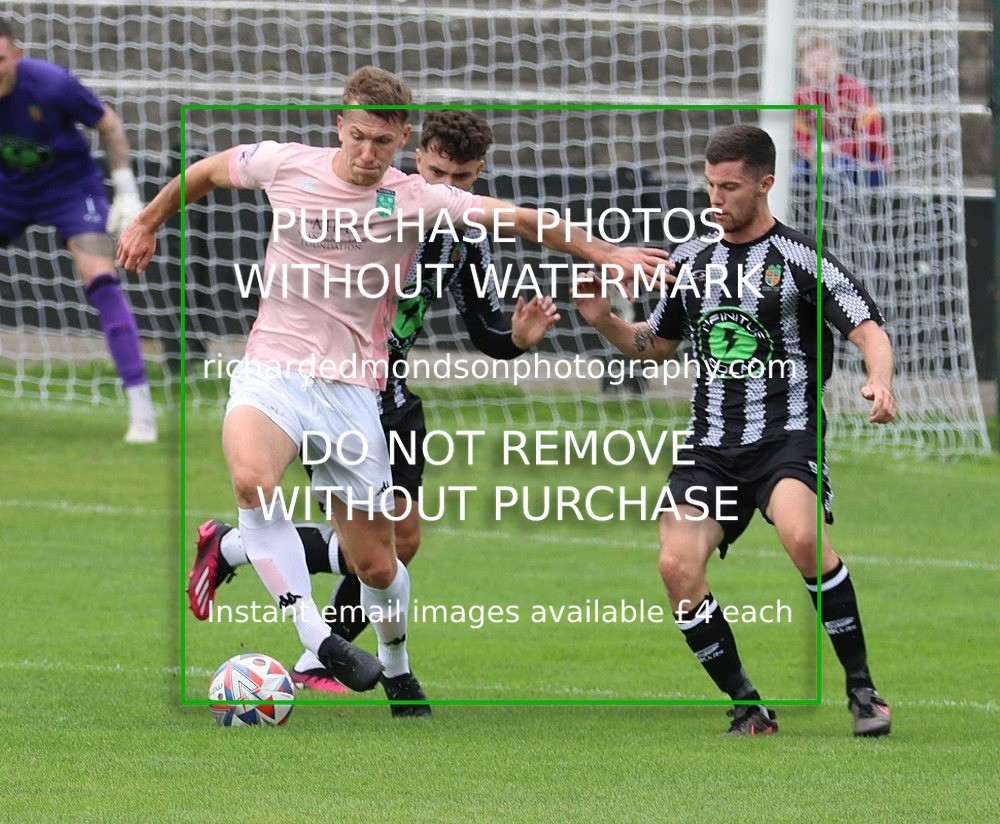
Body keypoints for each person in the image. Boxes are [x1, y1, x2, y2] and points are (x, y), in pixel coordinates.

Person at [118, 67, 669, 715]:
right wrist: (149, 219)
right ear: (340, 126)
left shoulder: (417, 199)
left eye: (382, 141)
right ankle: (318, 640)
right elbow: (208, 171)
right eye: (357, 136)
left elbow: (522, 219)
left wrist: (601, 253)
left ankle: (396, 667)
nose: (367, 152)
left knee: (378, 564)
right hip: (273, 371)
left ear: (402, 139)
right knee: (250, 482)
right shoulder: (284, 164)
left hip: (357, 392)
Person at [186, 110, 561, 693]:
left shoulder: (464, 239)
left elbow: (484, 330)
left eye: (461, 178)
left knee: (400, 545)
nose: (447, 187)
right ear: (417, 158)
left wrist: (518, 338)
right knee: (372, 546)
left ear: (478, 172)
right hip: (335, 386)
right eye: (437, 171)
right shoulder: (383, 207)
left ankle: (234, 548)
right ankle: (322, 659)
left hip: (395, 396)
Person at [574, 123, 895, 736]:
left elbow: (868, 330)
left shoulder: (804, 259)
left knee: (802, 538)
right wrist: (605, 321)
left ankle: (862, 690)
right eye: (710, 186)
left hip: (787, 436)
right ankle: (748, 706)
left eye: (730, 187)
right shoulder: (692, 259)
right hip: (710, 446)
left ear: (765, 184)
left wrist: (880, 380)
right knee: (676, 567)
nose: (716, 199)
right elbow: (654, 347)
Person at [0, 19, 155, 442]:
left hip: (70, 189)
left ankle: (142, 410)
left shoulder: (52, 85)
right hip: (8, 190)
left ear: (16, 55)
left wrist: (126, 190)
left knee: (103, 282)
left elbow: (108, 124)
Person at [793, 35, 890, 187]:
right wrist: (813, 151)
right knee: (798, 171)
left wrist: (835, 149)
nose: (819, 69)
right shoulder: (801, 98)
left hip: (867, 164)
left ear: (840, 63)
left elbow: (873, 140)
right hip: (826, 161)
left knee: (838, 168)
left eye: (826, 61)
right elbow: (802, 141)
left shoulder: (855, 91)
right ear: (803, 68)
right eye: (812, 63)